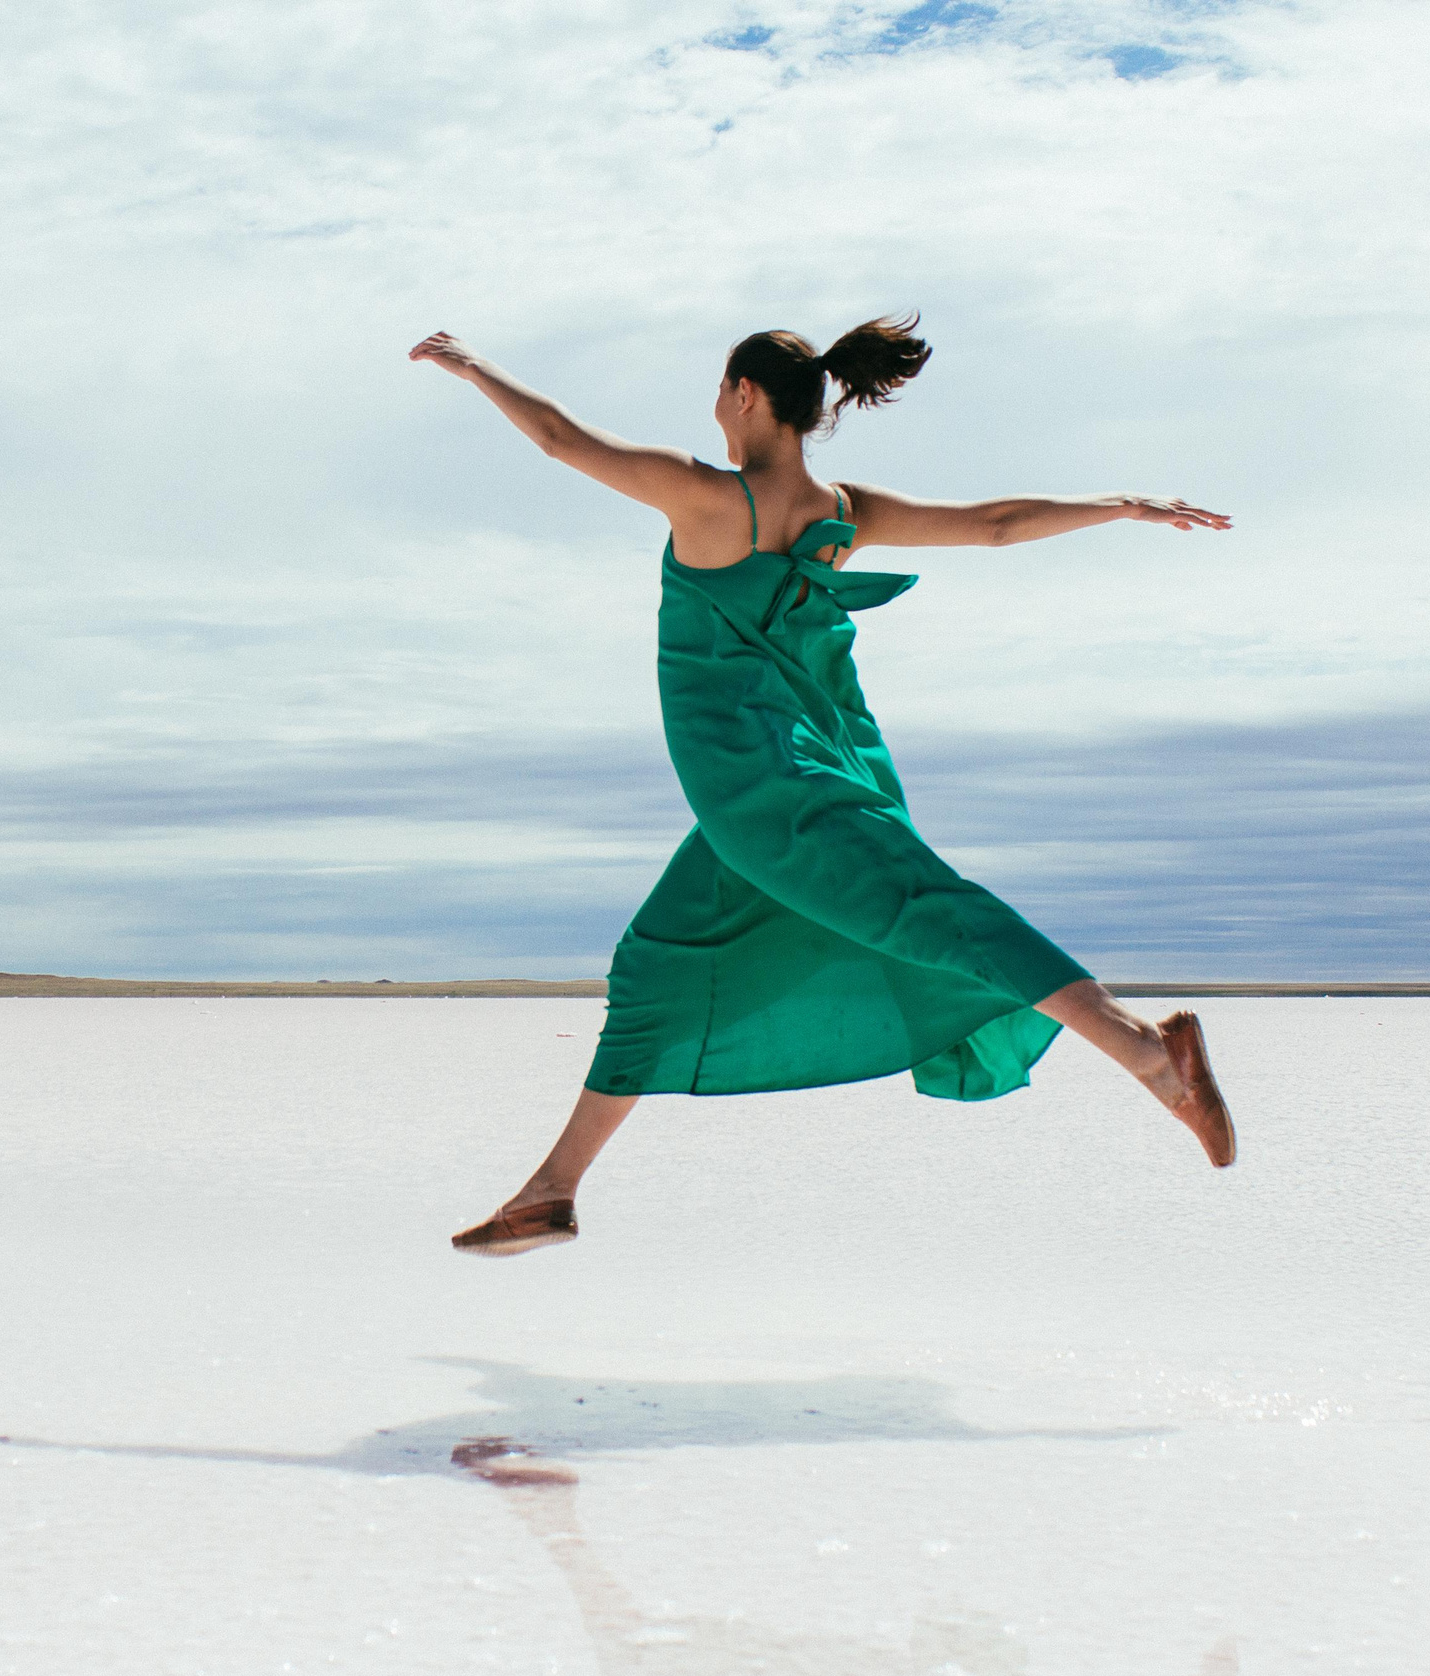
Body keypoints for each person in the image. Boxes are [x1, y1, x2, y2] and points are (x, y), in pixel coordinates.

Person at [411, 318, 1237, 1258]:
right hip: (761, 801)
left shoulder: (707, 499)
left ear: (745, 395)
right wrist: (1121, 505)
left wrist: (472, 365)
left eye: (719, 390)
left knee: (937, 913)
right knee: (655, 966)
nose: (714, 408)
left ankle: (1149, 1053)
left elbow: (561, 439)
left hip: (777, 792)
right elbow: (996, 525)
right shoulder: (842, 512)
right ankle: (550, 1191)